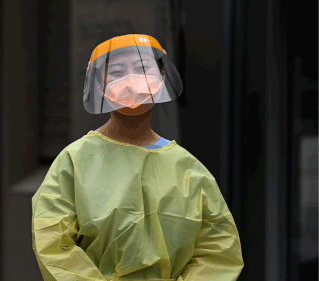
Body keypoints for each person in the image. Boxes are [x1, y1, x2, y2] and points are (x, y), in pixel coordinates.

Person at [32, 34, 244, 281]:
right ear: (100, 86)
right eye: (118, 72)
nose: (132, 81)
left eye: (143, 69)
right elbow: (54, 245)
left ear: (162, 79)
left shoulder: (189, 168)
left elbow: (218, 249)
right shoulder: (74, 161)